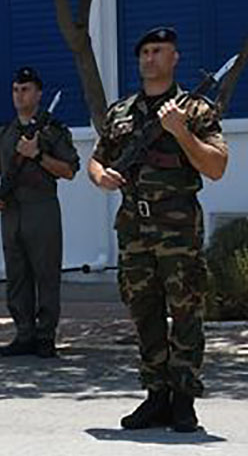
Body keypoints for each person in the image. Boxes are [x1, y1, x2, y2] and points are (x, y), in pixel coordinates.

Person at [87, 27, 228, 434]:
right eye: (144, 51)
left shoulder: (196, 110)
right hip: (133, 227)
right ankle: (156, 396)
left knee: (185, 311)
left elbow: (217, 167)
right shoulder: (121, 113)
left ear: (175, 57)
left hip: (177, 227)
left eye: (158, 51)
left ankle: (183, 399)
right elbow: (96, 161)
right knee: (143, 312)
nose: (149, 58)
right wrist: (102, 178)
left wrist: (181, 132)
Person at [0, 67, 79, 358]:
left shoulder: (52, 131)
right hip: (11, 209)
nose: (19, 95)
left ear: (38, 94)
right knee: (17, 275)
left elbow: (69, 170)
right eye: (15, 89)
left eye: (25, 89)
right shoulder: (4, 133)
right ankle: (24, 333)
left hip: (42, 207)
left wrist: (37, 154)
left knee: (46, 273)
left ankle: (45, 336)